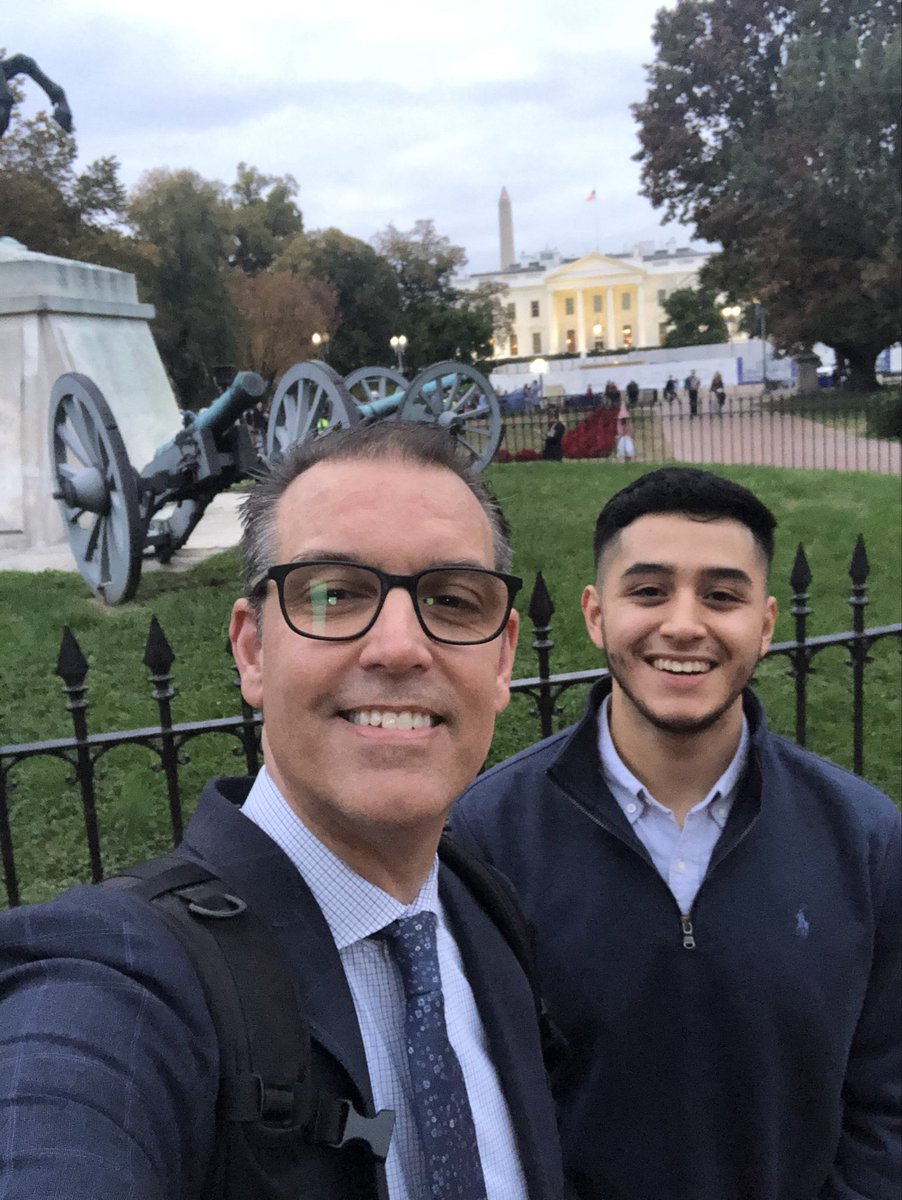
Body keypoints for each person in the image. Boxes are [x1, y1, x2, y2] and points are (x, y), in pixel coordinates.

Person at [0, 423, 564, 1200]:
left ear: (502, 661)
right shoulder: (122, 976)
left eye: (452, 600)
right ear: (252, 651)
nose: (399, 647)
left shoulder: (484, 909)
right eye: (334, 594)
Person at [450, 466, 902, 1200]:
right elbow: (478, 1102)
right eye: (649, 591)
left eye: (722, 596)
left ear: (765, 622)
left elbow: (887, 1098)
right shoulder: (488, 836)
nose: (684, 623)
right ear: (596, 615)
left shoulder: (867, 840)